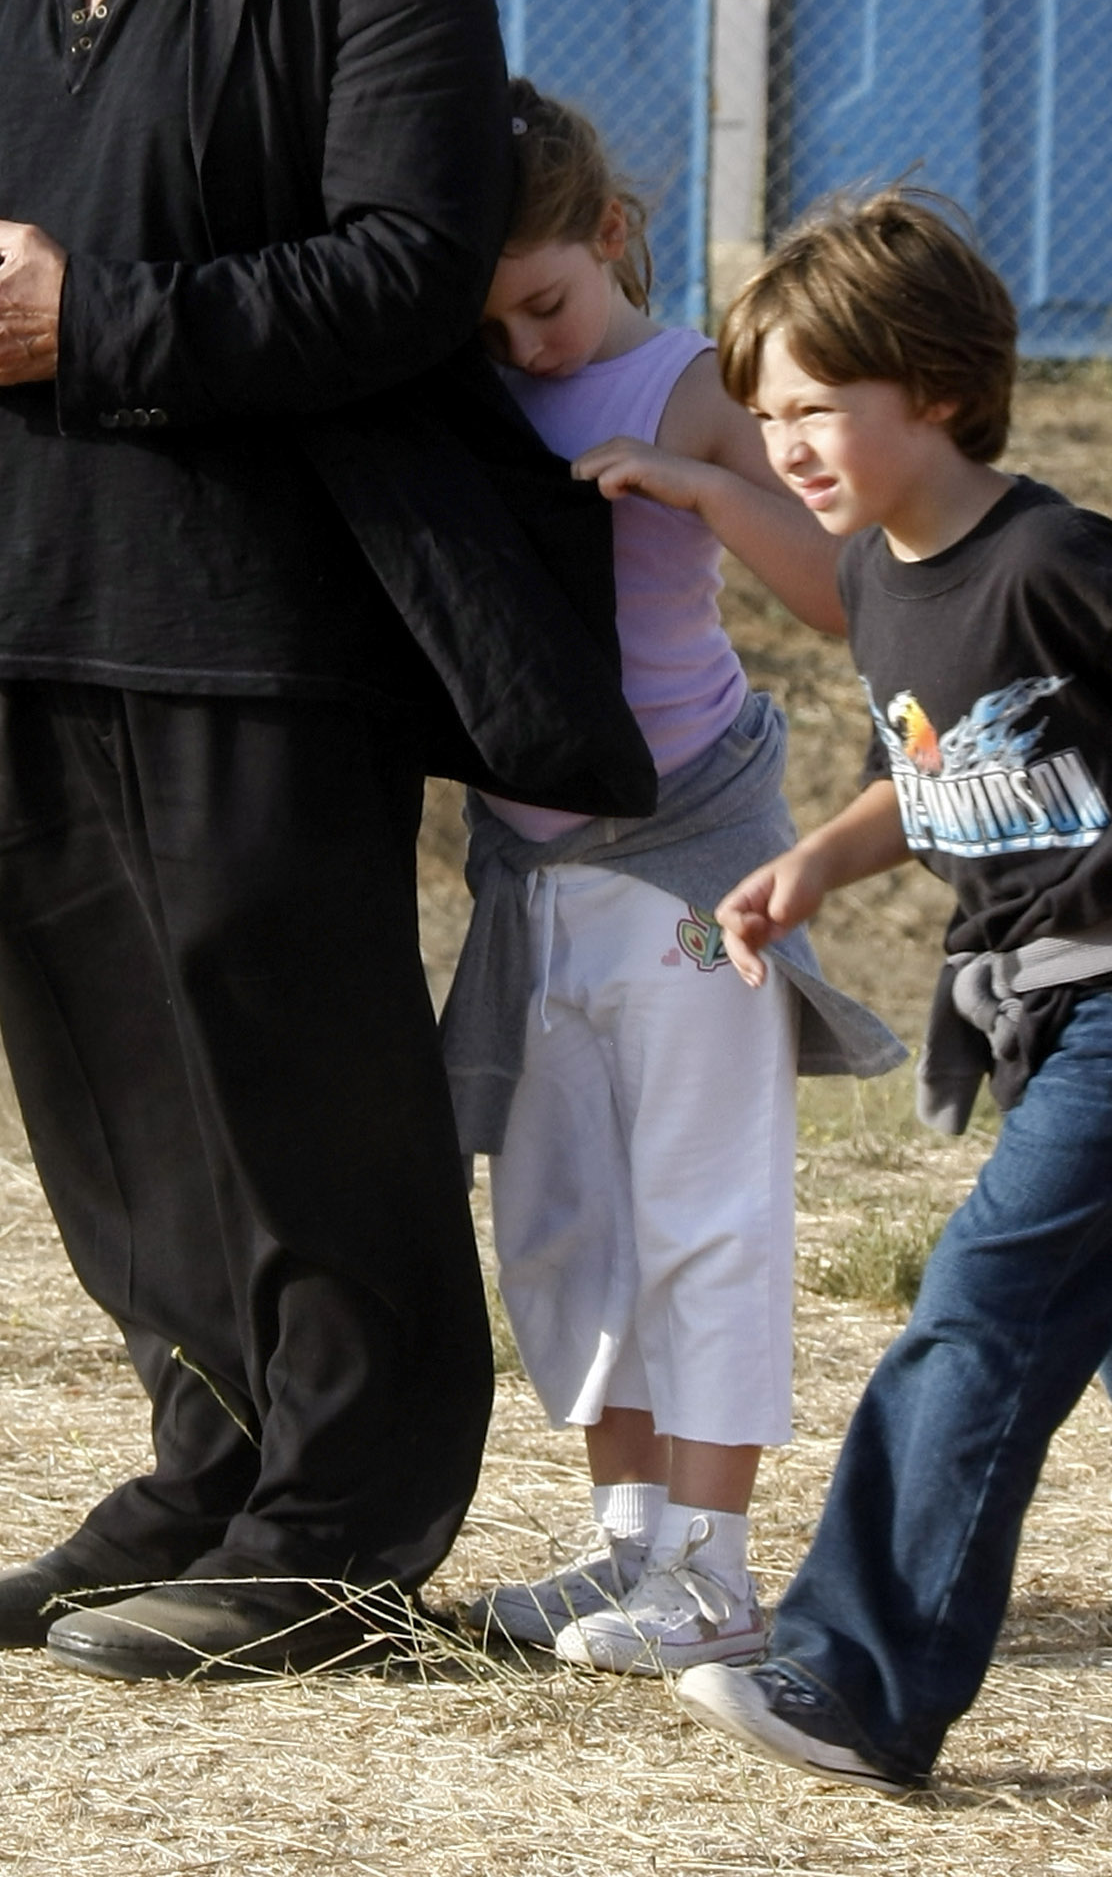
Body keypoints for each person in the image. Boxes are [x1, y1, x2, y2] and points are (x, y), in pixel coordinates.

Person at [0, 0, 654, 1685]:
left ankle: (339, 1524)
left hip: (260, 596)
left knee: (292, 1060)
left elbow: (408, 261)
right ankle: (201, 1458)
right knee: (98, 1056)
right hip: (16, 563)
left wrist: (92, 314)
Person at [596, 187, 1112, 1788]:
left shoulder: (1050, 555)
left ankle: (857, 1683)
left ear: (929, 385)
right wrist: (818, 865)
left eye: (815, 407)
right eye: (763, 413)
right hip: (1048, 1005)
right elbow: (933, 776)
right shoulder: (881, 583)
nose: (783, 443)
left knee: (978, 1313)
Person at [441, 86, 902, 1675]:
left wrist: (702, 481)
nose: (532, 349)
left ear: (611, 238)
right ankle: (624, 1540)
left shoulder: (692, 386)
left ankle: (713, 1566)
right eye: (494, 326)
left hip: (692, 860)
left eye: (547, 304)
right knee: (566, 1219)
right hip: (534, 874)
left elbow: (848, 597)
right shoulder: (479, 392)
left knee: (703, 1212)